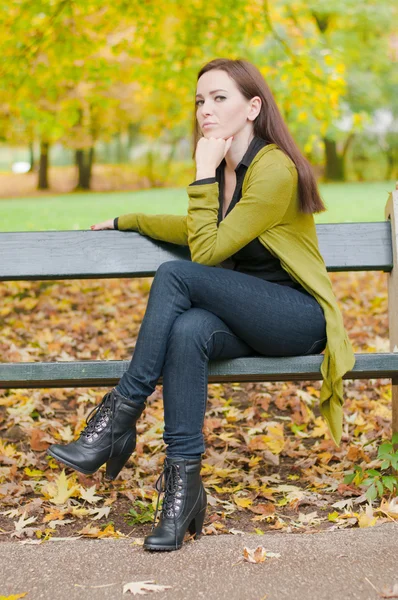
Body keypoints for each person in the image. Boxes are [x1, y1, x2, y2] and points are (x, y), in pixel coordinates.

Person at [47, 57, 355, 552]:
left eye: (219, 99)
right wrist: (130, 219)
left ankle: (116, 420)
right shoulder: (228, 172)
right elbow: (198, 232)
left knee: (174, 277)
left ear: (253, 107)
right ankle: (183, 492)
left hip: (296, 318)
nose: (204, 111)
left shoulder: (272, 168)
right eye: (199, 101)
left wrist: (203, 169)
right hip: (247, 316)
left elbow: (207, 253)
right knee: (189, 329)